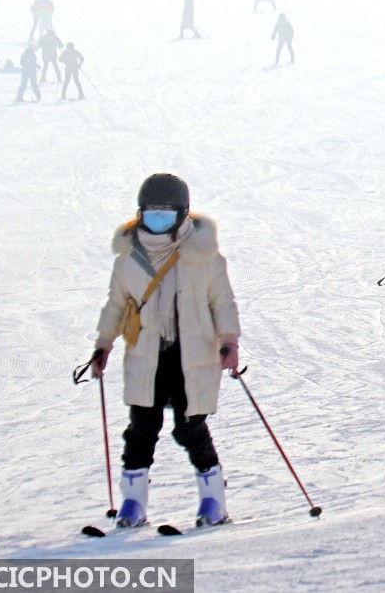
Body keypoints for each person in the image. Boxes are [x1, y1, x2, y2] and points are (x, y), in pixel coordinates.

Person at [89, 173, 241, 529]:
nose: (158, 219)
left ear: (183, 214)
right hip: (146, 354)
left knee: (190, 428)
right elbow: (115, 305)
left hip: (193, 355)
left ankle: (213, 500)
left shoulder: (205, 256)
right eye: (151, 212)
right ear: (140, 213)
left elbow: (222, 302)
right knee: (141, 428)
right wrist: (103, 344)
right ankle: (132, 505)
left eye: (166, 213)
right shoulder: (128, 258)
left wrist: (229, 341)